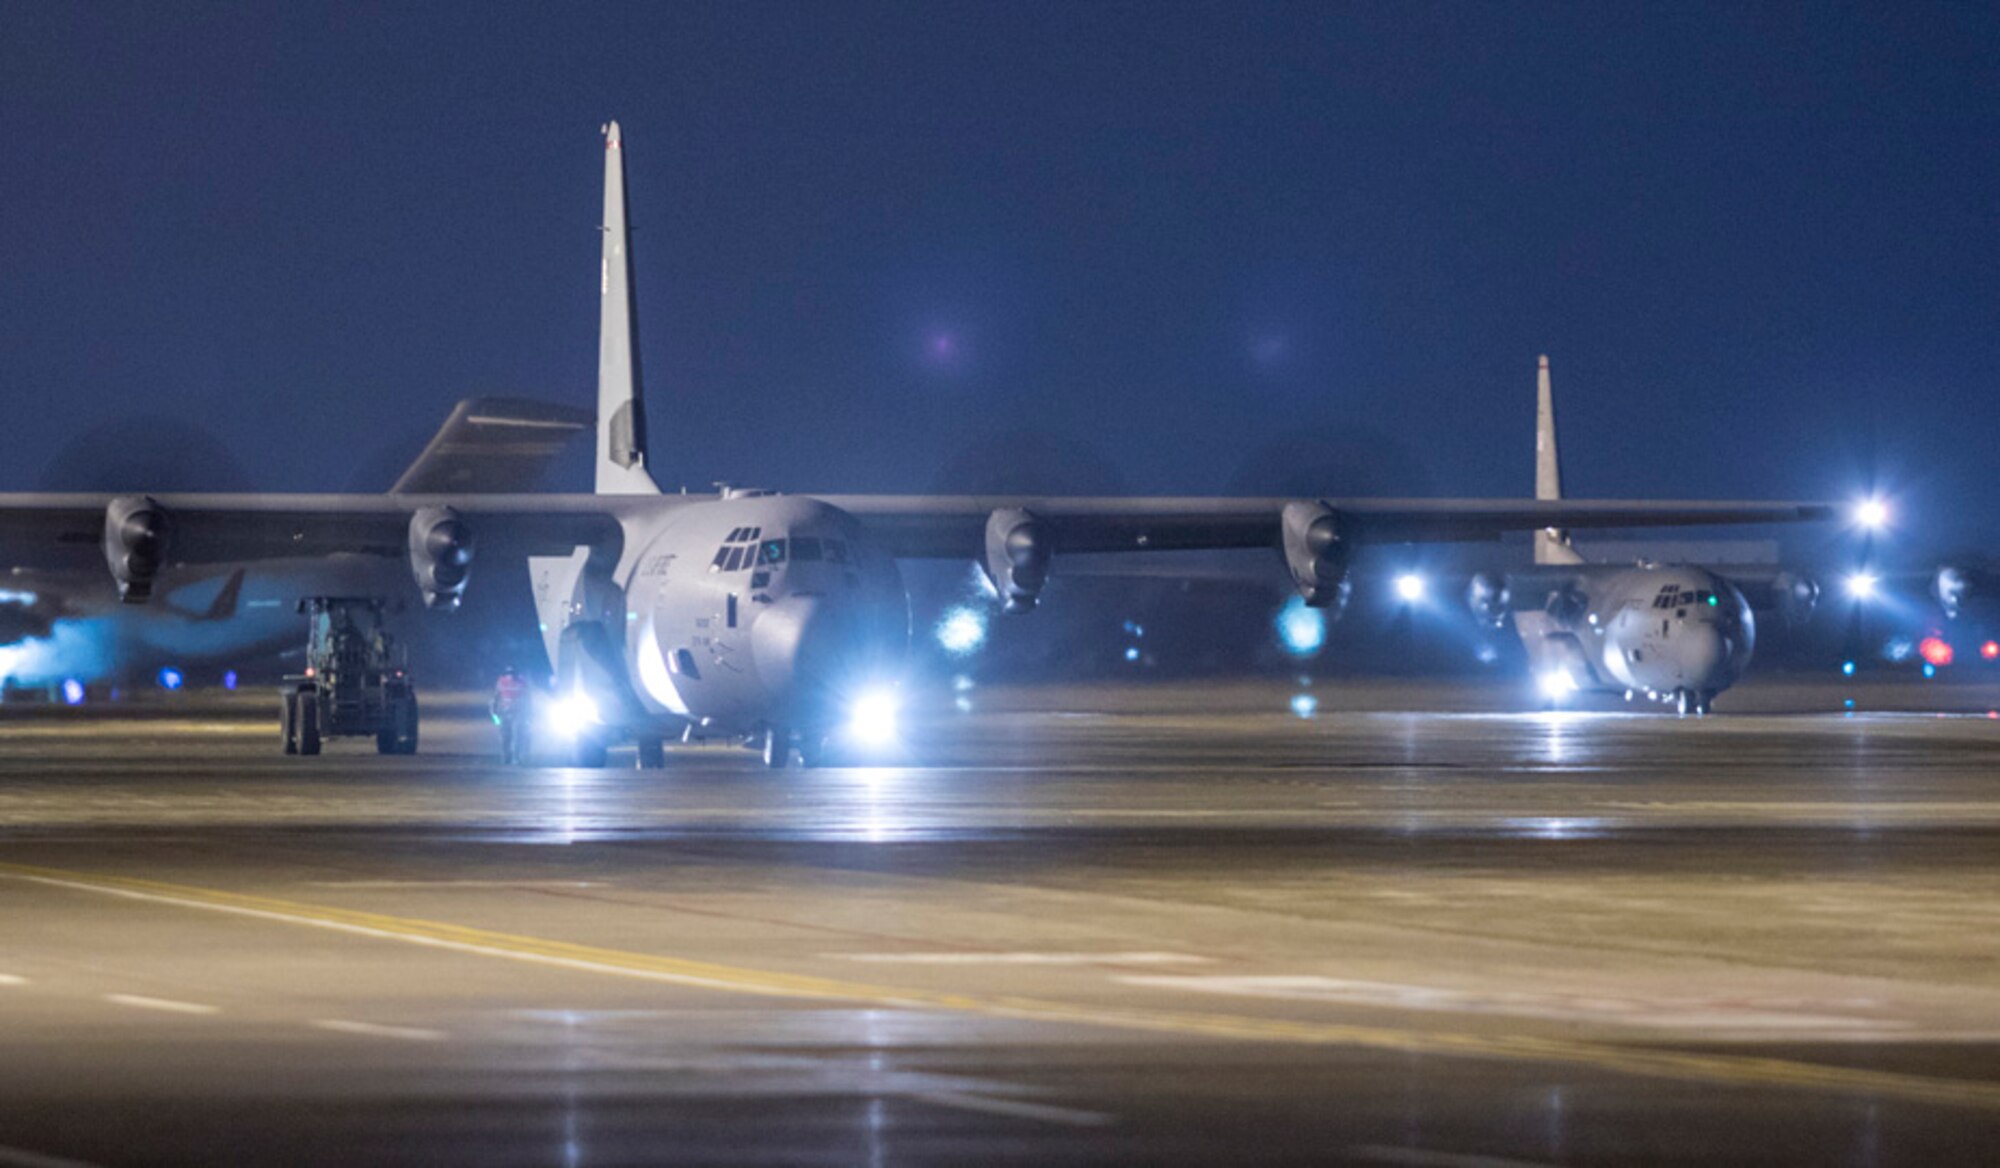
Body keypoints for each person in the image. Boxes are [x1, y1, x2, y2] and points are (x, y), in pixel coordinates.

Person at [491, 667, 534, 764]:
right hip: (509, 713)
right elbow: (495, 698)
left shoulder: (503, 681)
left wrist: (494, 715)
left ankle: (512, 757)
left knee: (511, 736)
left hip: (514, 713)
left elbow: (495, 698)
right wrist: (495, 717)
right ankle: (509, 757)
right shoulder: (519, 682)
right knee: (509, 736)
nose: (510, 677)